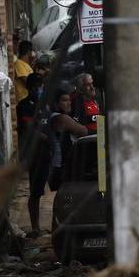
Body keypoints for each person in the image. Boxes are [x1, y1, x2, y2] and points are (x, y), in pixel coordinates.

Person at [29, 89, 88, 236]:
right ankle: (56, 227)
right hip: (56, 163)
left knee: (41, 194)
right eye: (64, 100)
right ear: (56, 103)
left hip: (48, 160)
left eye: (69, 100)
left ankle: (39, 228)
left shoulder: (51, 116)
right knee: (64, 196)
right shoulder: (61, 118)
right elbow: (84, 131)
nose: (68, 103)